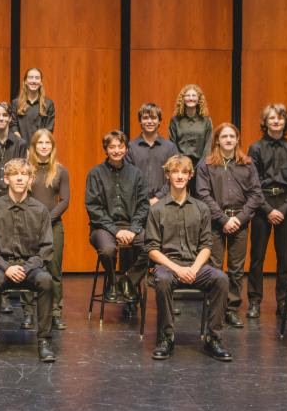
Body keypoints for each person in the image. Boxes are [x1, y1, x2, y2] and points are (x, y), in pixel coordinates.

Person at [144, 155, 233, 361]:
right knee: (163, 280)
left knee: (221, 278)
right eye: (175, 172)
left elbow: (206, 246)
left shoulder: (201, 208)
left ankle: (213, 338)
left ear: (191, 175)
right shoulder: (157, 209)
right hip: (168, 266)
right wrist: (178, 269)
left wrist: (194, 268)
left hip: (195, 265)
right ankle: (166, 338)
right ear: (167, 175)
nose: (179, 176)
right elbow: (152, 249)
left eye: (184, 172)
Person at [0, 158, 57, 363]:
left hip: (30, 266)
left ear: (31, 179)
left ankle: (44, 341)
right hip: (0, 266)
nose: (20, 178)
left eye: (24, 174)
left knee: (46, 281)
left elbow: (47, 248)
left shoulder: (40, 210)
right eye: (15, 174)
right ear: (6, 179)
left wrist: (24, 267)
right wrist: (7, 267)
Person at [195, 123, 262, 327]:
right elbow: (202, 194)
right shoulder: (206, 165)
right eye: (224, 136)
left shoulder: (247, 163)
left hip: (240, 222)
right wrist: (223, 220)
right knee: (214, 267)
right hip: (215, 222)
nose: (228, 140)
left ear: (237, 139)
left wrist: (238, 219)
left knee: (236, 269)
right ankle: (215, 307)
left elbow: (256, 194)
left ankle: (232, 308)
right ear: (217, 140)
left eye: (232, 136)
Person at [246, 104, 287, 322]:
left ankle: (283, 303)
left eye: (280, 118)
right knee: (257, 257)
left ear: (285, 122)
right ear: (265, 122)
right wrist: (268, 209)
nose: (276, 122)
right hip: (262, 204)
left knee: (285, 258)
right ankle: (254, 302)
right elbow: (252, 183)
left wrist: (283, 209)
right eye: (272, 118)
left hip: (285, 204)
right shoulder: (256, 148)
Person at [86, 130, 150, 307]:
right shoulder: (95, 173)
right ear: (105, 149)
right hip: (103, 227)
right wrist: (116, 230)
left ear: (126, 149)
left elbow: (144, 205)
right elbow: (93, 207)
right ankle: (112, 282)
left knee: (151, 246)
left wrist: (133, 229)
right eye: (112, 147)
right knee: (107, 250)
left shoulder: (137, 174)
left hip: (131, 226)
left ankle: (127, 281)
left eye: (120, 146)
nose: (116, 150)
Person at [28, 128, 70, 330]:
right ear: (34, 146)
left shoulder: (60, 170)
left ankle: (55, 312)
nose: (44, 147)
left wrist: (47, 219)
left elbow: (65, 201)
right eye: (40, 143)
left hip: (53, 225)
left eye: (48, 143)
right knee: (28, 267)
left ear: (52, 147)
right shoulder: (26, 169)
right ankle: (28, 312)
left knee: (54, 269)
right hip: (28, 225)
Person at [126, 102, 179, 205]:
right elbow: (127, 178)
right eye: (145, 118)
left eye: (153, 118)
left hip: (165, 203)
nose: (149, 121)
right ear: (140, 121)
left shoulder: (170, 147)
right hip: (137, 204)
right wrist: (143, 200)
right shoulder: (131, 147)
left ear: (159, 121)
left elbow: (175, 175)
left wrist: (158, 198)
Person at [168, 84, 213, 172]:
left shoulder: (206, 121)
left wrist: (202, 165)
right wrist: (180, 163)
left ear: (199, 99)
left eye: (194, 95)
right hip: (180, 166)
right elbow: (172, 144)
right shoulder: (175, 120)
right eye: (188, 95)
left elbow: (209, 144)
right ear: (183, 99)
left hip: (201, 166)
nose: (191, 98)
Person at [13, 67, 55, 140]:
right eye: (31, 77)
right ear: (25, 81)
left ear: (41, 82)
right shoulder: (16, 103)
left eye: (37, 78)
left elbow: (49, 129)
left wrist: (36, 147)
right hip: (21, 148)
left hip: (40, 148)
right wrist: (23, 147)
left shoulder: (48, 104)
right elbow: (13, 127)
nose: (34, 81)